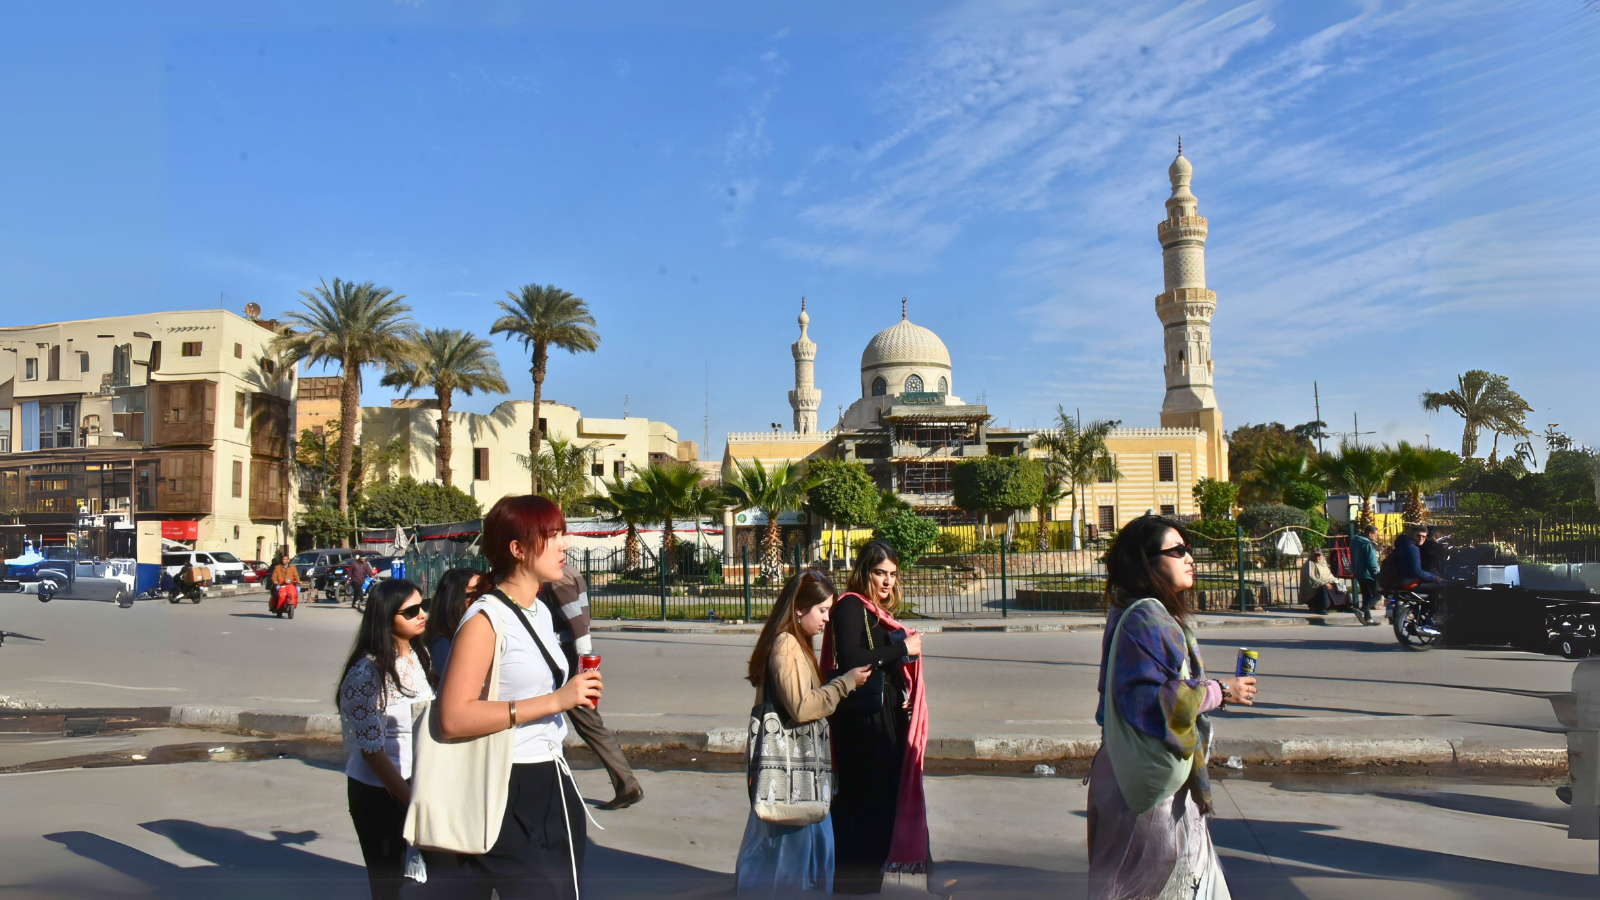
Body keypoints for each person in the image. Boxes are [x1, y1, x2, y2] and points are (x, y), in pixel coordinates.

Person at [437, 495, 602, 900]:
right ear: (518, 549)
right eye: (552, 536)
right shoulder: (485, 619)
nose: (565, 545)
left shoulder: (539, 612)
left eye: (562, 534)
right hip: (506, 781)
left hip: (552, 776)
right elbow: (453, 717)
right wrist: (556, 701)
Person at [1087, 514, 1257, 900]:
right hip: (1150, 794)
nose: (1189, 557)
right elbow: (1153, 701)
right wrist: (1219, 692)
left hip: (1124, 774)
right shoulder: (1148, 617)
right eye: (1177, 550)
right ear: (1149, 563)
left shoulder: (1128, 611)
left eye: (1188, 549)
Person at [736, 570, 872, 896]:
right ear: (799, 608)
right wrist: (845, 683)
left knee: (798, 852)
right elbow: (801, 707)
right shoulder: (786, 645)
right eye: (822, 610)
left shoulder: (798, 643)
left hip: (801, 774)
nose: (827, 619)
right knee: (787, 860)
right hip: (790, 772)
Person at [825, 540, 930, 894]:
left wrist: (905, 691)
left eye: (893, 575)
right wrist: (903, 647)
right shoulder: (850, 605)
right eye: (880, 573)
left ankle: (867, 884)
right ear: (864, 572)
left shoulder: (875, 611)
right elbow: (855, 657)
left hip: (884, 716)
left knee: (883, 802)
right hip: (861, 722)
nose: (888, 582)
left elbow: (883, 663)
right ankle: (849, 884)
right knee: (861, 804)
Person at [336, 578, 434, 900]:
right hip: (379, 793)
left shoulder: (417, 656)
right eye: (412, 611)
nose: (422, 615)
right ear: (386, 617)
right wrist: (410, 800)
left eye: (424, 606)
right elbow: (372, 752)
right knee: (388, 886)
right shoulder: (367, 673)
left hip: (413, 784)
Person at [539, 564, 644, 810]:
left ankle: (627, 785)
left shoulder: (558, 578)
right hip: (570, 655)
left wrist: (585, 663)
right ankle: (626, 785)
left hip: (565, 655)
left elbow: (577, 621)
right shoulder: (570, 572)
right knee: (587, 723)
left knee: (586, 723)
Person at [422, 566, 485, 681]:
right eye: (471, 594)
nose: (481, 599)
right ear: (453, 600)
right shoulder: (442, 644)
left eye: (485, 592)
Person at [1351, 524, 1383, 625]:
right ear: (1370, 534)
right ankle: (1362, 610)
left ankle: (1368, 618)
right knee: (1378, 594)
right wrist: (1377, 574)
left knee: (1366, 594)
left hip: (1359, 572)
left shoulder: (1355, 542)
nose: (1376, 537)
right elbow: (1372, 562)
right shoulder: (1367, 544)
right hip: (1368, 573)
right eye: (1375, 535)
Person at [1298, 550, 1339, 615]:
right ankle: (1321, 608)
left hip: (1325, 583)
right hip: (1314, 588)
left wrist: (1335, 581)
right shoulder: (1309, 565)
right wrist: (1323, 583)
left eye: (1319, 555)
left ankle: (1343, 606)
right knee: (1324, 588)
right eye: (1315, 555)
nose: (1317, 557)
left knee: (1339, 586)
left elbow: (1329, 575)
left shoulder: (1323, 564)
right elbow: (1311, 578)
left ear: (1322, 556)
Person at [269, 549, 301, 614]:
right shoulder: (277, 568)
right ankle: (278, 602)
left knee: (298, 589)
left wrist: (298, 580)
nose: (284, 560)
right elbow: (274, 576)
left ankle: (295, 600)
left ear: (288, 560)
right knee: (278, 589)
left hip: (291, 584)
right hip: (281, 584)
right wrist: (275, 581)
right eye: (283, 559)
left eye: (285, 559)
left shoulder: (292, 567)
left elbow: (296, 575)